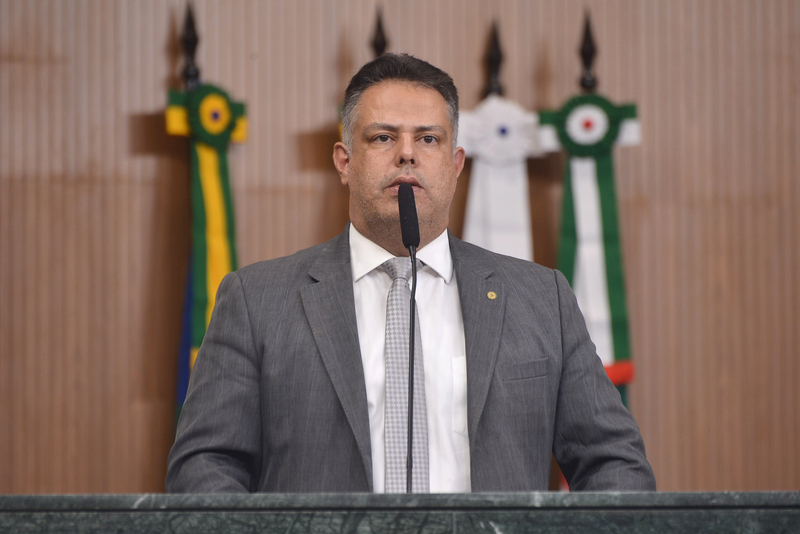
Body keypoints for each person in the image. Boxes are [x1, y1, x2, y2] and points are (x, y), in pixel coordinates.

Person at [166, 53, 656, 493]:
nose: (407, 153)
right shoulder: (257, 301)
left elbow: (615, 463)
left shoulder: (541, 298)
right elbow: (204, 467)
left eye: (428, 138)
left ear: (456, 164)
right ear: (344, 161)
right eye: (383, 137)